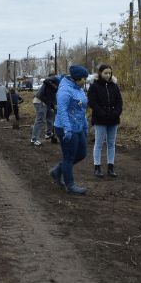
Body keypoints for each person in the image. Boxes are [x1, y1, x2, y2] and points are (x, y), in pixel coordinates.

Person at [49, 66, 90, 195]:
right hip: (65, 127)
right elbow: (61, 111)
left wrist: (85, 126)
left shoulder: (79, 89)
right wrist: (67, 130)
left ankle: (57, 171)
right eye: (84, 78)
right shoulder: (64, 90)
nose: (85, 81)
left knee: (82, 154)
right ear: (76, 78)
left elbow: (82, 109)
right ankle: (70, 185)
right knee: (69, 157)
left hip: (78, 126)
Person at [87, 64, 123, 178]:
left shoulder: (114, 86)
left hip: (113, 119)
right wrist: (102, 113)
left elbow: (119, 102)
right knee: (98, 143)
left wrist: (115, 113)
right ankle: (97, 167)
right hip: (100, 119)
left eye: (109, 73)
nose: (108, 75)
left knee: (111, 143)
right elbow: (92, 102)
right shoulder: (94, 86)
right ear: (100, 73)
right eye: (105, 73)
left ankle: (110, 167)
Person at [31, 74, 61, 146]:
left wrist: (55, 106)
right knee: (40, 120)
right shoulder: (50, 82)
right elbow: (46, 80)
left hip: (47, 103)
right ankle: (34, 139)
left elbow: (53, 96)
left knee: (51, 116)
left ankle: (48, 134)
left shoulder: (57, 85)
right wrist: (55, 87)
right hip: (40, 101)